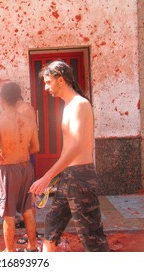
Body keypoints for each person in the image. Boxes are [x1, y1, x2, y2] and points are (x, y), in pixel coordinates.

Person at [29, 60, 109, 252]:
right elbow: (68, 150)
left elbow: (75, 147)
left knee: (92, 237)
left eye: (48, 82)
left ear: (61, 80)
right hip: (70, 176)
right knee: (52, 224)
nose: (46, 87)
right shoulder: (69, 105)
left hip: (81, 178)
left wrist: (47, 176)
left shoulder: (80, 105)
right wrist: (57, 175)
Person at [0, 82, 40, 252]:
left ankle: (10, 252)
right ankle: (32, 247)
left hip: (7, 170)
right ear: (18, 97)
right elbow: (36, 148)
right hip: (26, 168)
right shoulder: (28, 121)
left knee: (9, 214)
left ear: (2, 100)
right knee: (27, 210)